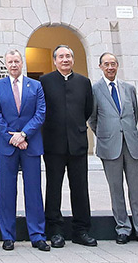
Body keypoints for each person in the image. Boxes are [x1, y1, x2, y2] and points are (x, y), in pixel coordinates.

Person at [88, 53, 138, 245]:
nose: (110, 67)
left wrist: (124, 131)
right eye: (106, 64)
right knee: (116, 189)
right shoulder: (95, 89)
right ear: (100, 67)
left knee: (136, 189)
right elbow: (93, 119)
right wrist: (107, 134)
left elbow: (133, 115)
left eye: (113, 64)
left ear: (117, 66)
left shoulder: (129, 88)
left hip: (131, 144)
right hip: (109, 145)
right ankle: (123, 228)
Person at [0, 49, 47, 251]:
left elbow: (40, 113)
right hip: (8, 147)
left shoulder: (36, 85)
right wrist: (12, 137)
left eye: (16, 61)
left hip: (30, 144)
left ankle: (37, 234)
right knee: (6, 192)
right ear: (6, 64)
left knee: (33, 191)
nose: (13, 65)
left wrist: (23, 135)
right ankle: (7, 235)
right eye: (10, 62)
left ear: (22, 63)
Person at [40, 45, 95, 247]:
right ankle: (55, 231)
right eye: (61, 56)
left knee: (80, 189)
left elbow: (88, 109)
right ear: (54, 61)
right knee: (53, 189)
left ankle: (81, 231)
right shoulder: (45, 81)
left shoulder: (83, 82)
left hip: (78, 143)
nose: (65, 60)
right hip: (53, 144)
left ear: (73, 59)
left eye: (68, 56)